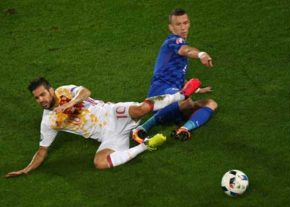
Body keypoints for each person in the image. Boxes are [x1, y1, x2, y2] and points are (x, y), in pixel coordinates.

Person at [5, 77, 201, 177]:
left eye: (42, 94)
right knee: (100, 163)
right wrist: (26, 169)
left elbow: (85, 91)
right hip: (108, 137)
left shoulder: (65, 90)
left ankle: (181, 95)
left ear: (50, 89)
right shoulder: (49, 121)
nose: (41, 100)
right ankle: (145, 145)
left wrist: (71, 103)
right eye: (37, 98)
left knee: (141, 109)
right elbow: (42, 151)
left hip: (111, 113)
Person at [131, 8, 218, 143]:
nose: (183, 28)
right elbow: (186, 50)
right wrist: (201, 54)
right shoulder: (173, 41)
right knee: (186, 101)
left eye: (185, 23)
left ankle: (183, 129)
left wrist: (198, 90)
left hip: (175, 96)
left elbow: (178, 77)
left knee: (210, 103)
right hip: (160, 92)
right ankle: (141, 128)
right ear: (171, 27)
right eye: (178, 24)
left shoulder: (178, 47)